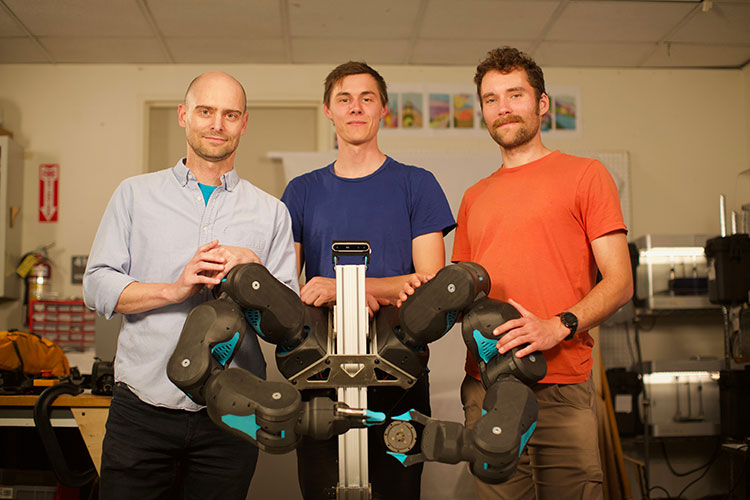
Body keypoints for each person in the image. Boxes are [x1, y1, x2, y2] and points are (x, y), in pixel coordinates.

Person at [402, 46, 633, 499]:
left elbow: (620, 281)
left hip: (561, 385)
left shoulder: (586, 176)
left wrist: (557, 326)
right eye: (491, 99)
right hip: (486, 388)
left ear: (542, 103)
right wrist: (426, 294)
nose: (503, 108)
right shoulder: (474, 196)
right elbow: (464, 288)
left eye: (515, 95)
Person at [83, 71, 298, 500]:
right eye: (206, 111)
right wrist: (174, 289)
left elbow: (289, 325)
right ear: (184, 116)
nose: (217, 123)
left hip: (232, 414)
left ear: (243, 123)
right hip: (142, 410)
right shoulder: (134, 195)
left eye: (230, 114)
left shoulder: (271, 212)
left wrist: (255, 273)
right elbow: (97, 286)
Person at [280, 61, 455, 499]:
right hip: (319, 374)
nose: (355, 108)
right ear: (328, 111)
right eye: (344, 99)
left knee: (398, 490)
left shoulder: (418, 185)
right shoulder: (301, 191)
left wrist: (346, 289)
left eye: (366, 98)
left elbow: (433, 287)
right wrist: (394, 285)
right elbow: (289, 291)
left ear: (383, 110)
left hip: (400, 370)